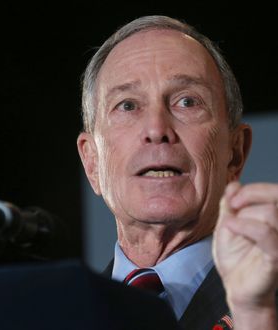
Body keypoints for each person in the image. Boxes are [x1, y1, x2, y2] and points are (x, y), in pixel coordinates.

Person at [77, 15, 278, 330]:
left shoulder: (266, 305)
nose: (157, 129)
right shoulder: (59, 315)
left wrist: (256, 315)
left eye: (187, 101)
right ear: (92, 163)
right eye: (127, 106)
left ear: (235, 154)